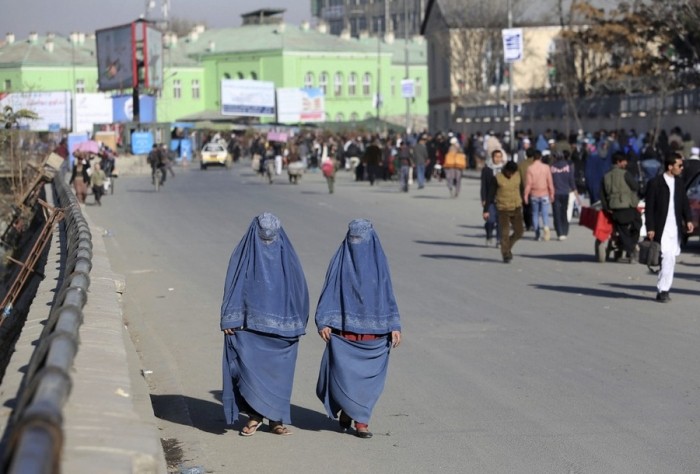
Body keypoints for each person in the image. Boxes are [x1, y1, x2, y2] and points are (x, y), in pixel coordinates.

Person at [220, 213, 309, 436]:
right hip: (250, 326)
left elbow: (299, 291)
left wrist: (299, 321)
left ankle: (276, 419)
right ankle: (254, 417)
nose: (267, 242)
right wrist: (230, 317)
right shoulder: (244, 254)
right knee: (250, 372)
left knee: (279, 375)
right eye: (263, 238)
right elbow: (234, 283)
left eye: (271, 238)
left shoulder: (288, 258)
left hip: (283, 328)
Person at [315, 219, 401, 439]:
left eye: (361, 240)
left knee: (367, 378)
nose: (357, 244)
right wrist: (323, 321)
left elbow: (388, 295)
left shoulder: (379, 264)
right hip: (345, 330)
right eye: (353, 239)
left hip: (374, 331)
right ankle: (347, 409)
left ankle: (362, 420)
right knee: (346, 374)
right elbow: (329, 289)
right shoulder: (340, 261)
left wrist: (394, 325)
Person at [645, 153, 694, 302]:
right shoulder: (655, 183)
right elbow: (649, 208)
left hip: (675, 227)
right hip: (662, 227)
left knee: (671, 258)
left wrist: (689, 220)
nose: (681, 168)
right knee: (666, 257)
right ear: (670, 166)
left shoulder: (679, 183)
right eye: (679, 165)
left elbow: (684, 203)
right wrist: (651, 227)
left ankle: (664, 288)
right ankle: (663, 290)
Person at [600, 152, 642, 262]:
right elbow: (635, 186)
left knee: (622, 230)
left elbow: (602, 195)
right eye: (624, 161)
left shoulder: (606, 176)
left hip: (614, 209)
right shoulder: (625, 174)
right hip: (628, 207)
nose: (626, 163)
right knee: (637, 224)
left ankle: (628, 248)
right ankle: (631, 249)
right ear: (618, 162)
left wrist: (607, 208)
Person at [484, 161, 524, 263]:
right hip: (503, 209)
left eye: (513, 173)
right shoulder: (497, 178)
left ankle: (506, 246)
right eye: (509, 172)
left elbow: (521, 188)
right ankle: (506, 254)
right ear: (505, 169)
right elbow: (490, 194)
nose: (510, 175)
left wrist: (524, 200)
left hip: (516, 207)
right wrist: (486, 210)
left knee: (519, 232)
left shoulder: (518, 176)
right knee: (504, 233)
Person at [524, 149, 554, 241]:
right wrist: (552, 193)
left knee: (535, 214)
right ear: (540, 157)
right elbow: (550, 182)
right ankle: (546, 227)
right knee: (545, 213)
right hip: (544, 193)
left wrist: (525, 195)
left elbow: (528, 184)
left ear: (533, 157)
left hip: (534, 194)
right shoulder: (546, 167)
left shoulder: (530, 168)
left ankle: (537, 233)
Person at [550, 151, 578, 240]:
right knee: (564, 212)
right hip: (565, 192)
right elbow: (571, 180)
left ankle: (560, 232)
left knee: (556, 213)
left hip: (555, 193)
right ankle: (565, 230)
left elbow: (550, 181)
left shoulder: (552, 167)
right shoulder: (568, 166)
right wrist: (574, 190)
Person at [480, 149, 505, 246]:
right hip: (490, 200)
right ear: (492, 157)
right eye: (496, 157)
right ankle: (489, 233)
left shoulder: (505, 170)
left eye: (500, 157)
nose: (498, 159)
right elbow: (483, 186)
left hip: (502, 199)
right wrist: (483, 199)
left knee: (500, 221)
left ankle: (499, 240)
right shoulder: (487, 170)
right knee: (490, 220)